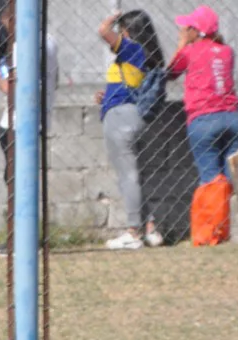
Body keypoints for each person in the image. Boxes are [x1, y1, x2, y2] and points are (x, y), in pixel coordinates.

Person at [95, 9, 166, 250]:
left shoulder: (132, 48)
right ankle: (150, 228)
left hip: (120, 119)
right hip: (134, 115)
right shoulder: (147, 54)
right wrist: (106, 97)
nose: (119, 34)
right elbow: (130, 85)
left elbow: (103, 31)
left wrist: (114, 15)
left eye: (122, 30)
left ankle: (133, 232)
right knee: (136, 174)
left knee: (128, 176)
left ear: (128, 31)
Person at [167, 5, 238, 185]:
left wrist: (182, 43)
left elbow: (170, 73)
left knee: (211, 182)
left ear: (196, 31)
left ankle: (214, 212)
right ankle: (229, 211)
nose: (183, 31)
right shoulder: (226, 51)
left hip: (204, 118)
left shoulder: (189, 51)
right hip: (233, 117)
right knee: (231, 181)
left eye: (187, 28)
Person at [0, 1, 59, 184]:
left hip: (15, 123)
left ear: (13, 18)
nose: (4, 27)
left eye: (5, 21)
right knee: (26, 176)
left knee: (15, 180)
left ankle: (16, 212)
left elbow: (12, 90)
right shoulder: (49, 40)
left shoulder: (21, 46)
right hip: (40, 119)